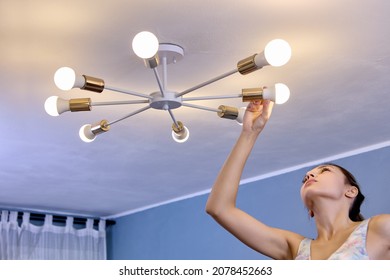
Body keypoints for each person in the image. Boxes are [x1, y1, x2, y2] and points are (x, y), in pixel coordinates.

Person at [205, 100, 390, 260]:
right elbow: (219, 209)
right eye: (305, 177)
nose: (310, 176)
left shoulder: (379, 228)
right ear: (309, 210)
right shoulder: (294, 249)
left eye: (324, 171)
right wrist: (249, 133)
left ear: (351, 191)